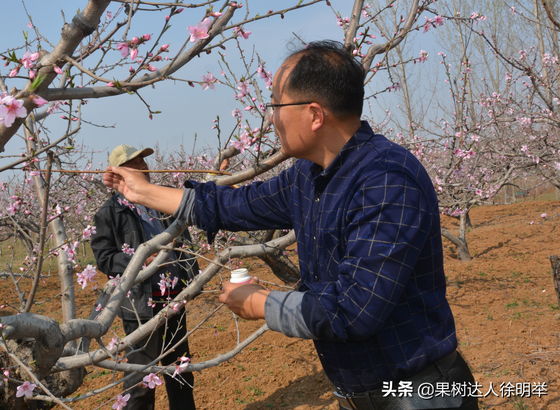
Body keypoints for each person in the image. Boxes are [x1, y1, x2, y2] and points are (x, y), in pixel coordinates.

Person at [103, 40, 479, 410]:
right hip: (358, 394)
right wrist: (143, 192)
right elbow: (233, 205)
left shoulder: (386, 180)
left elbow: (354, 311)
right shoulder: (308, 177)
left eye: (276, 106)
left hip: (418, 394)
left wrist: (262, 304)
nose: (271, 118)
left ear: (315, 115)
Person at [91, 145, 198, 410]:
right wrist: (138, 260)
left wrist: (192, 277)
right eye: (135, 163)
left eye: (143, 162)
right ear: (119, 173)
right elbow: (104, 258)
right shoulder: (109, 213)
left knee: (180, 372)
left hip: (174, 299)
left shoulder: (160, 201)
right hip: (140, 306)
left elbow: (182, 238)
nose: (143, 167)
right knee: (140, 379)